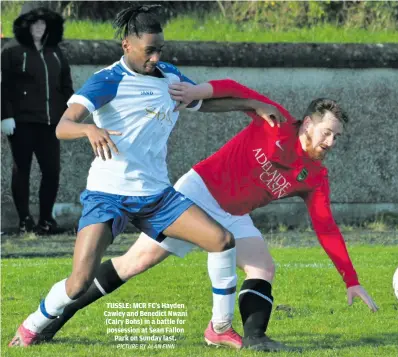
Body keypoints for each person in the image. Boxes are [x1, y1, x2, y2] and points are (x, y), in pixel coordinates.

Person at [8, 6, 285, 348]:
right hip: (107, 195)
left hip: (157, 197)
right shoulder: (108, 80)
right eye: (148, 51)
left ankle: (219, 328)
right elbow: (64, 126)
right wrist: (88, 129)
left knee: (222, 241)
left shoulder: (170, 76)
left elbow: (200, 103)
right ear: (127, 46)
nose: (155, 57)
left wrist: (250, 105)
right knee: (78, 282)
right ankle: (31, 326)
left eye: (160, 50)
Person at [34, 79, 379, 352]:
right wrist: (197, 91)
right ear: (307, 125)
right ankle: (59, 315)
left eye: (337, 136)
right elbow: (236, 89)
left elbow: (326, 227)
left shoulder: (316, 177)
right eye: (327, 132)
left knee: (263, 267)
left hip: (234, 214)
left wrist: (351, 279)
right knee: (133, 264)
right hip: (195, 195)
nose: (331, 142)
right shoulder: (273, 120)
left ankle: (256, 338)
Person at [1, 7, 74, 234]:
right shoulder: (12, 52)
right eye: (35, 25)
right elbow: (3, 86)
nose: (39, 29)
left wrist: (70, 113)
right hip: (21, 123)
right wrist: (5, 115)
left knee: (52, 171)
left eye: (43, 25)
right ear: (27, 27)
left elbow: (66, 86)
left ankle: (46, 220)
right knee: (22, 169)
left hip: (51, 123)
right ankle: (24, 220)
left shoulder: (55, 53)